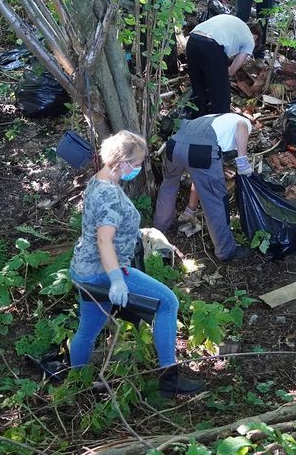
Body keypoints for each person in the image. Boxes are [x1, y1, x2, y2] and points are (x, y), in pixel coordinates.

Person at [68, 131, 204, 396]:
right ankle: (169, 378)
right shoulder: (108, 195)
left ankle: (75, 384)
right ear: (121, 161)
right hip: (103, 272)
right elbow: (104, 240)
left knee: (88, 329)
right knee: (167, 303)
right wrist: (117, 279)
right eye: (137, 163)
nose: (139, 168)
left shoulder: (100, 180)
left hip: (83, 269)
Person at [153, 113, 255, 262]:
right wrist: (243, 162)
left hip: (174, 145)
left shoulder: (213, 118)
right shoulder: (242, 121)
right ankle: (226, 251)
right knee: (215, 200)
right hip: (201, 151)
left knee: (168, 185)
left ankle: (158, 229)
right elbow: (241, 126)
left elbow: (198, 179)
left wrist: (191, 209)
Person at [185, 14, 255, 116]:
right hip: (211, 45)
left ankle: (197, 123)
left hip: (193, 40)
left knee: (198, 89)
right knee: (221, 96)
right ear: (256, 36)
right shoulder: (250, 40)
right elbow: (231, 71)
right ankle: (219, 125)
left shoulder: (235, 23)